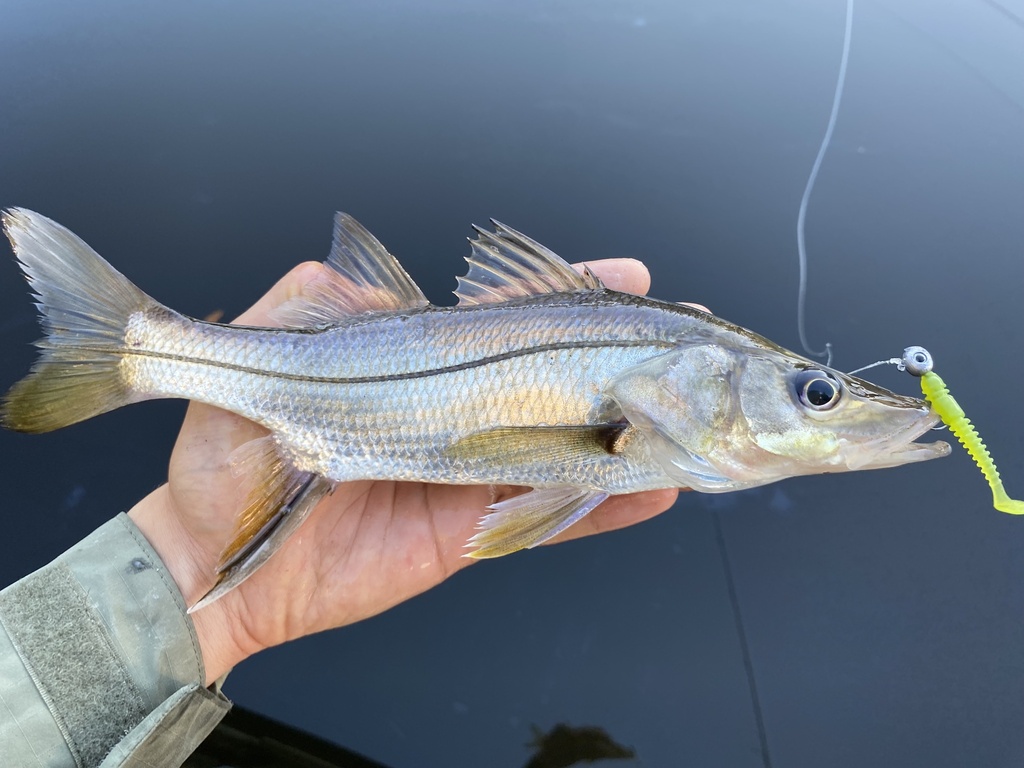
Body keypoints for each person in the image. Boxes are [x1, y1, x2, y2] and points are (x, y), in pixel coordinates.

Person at [0, 256, 680, 768]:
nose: (795, 406)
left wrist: (191, 587)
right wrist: (186, 558)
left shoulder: (636, 437)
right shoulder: (634, 423)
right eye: (796, 392)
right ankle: (140, 350)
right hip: (326, 434)